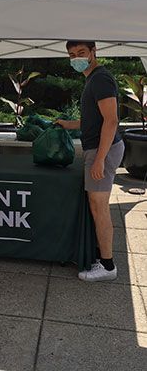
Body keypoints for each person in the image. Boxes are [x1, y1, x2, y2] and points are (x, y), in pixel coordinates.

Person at [56, 41, 125, 282]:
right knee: (96, 206)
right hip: (97, 150)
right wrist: (69, 124)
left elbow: (111, 120)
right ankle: (100, 255)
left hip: (101, 151)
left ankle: (107, 266)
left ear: (94, 53)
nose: (76, 58)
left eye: (81, 53)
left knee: (99, 207)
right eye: (72, 55)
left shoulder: (100, 79)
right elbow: (93, 120)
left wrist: (99, 160)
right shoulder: (92, 79)